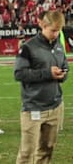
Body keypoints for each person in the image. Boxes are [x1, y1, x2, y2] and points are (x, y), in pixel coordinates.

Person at [14, 10, 68, 163]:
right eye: (53, 30)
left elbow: (65, 66)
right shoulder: (28, 47)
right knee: (27, 153)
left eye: (59, 30)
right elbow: (19, 74)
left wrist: (63, 74)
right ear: (43, 25)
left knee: (47, 150)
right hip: (33, 108)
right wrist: (47, 73)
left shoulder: (58, 45)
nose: (56, 34)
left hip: (55, 107)